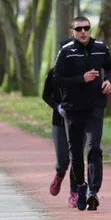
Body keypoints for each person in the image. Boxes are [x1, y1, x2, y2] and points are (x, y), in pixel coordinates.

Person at [53, 16, 111, 212]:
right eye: (78, 29)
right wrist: (82, 78)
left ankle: (93, 191)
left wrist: (109, 81)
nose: (83, 32)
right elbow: (57, 80)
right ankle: (81, 186)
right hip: (73, 108)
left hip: (96, 105)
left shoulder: (100, 48)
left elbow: (110, 66)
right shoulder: (66, 52)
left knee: (94, 147)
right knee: (76, 152)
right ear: (72, 32)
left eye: (86, 28)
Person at [42, 53, 76, 207]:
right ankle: (60, 174)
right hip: (59, 122)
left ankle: (75, 193)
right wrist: (58, 107)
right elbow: (46, 95)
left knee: (76, 158)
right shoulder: (53, 72)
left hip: (78, 121)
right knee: (64, 158)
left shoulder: (82, 73)